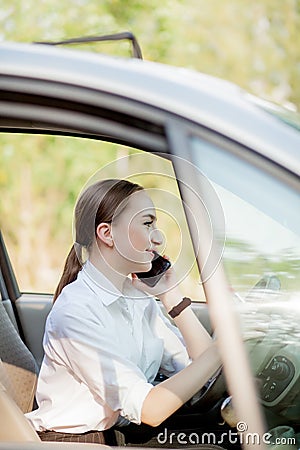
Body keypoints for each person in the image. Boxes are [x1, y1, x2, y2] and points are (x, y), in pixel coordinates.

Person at [26, 179, 220, 444]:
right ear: (107, 234)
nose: (158, 237)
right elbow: (150, 409)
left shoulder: (137, 297)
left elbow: (196, 368)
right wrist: (225, 349)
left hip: (120, 433)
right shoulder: (75, 312)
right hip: (74, 442)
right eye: (147, 223)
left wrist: (170, 295)